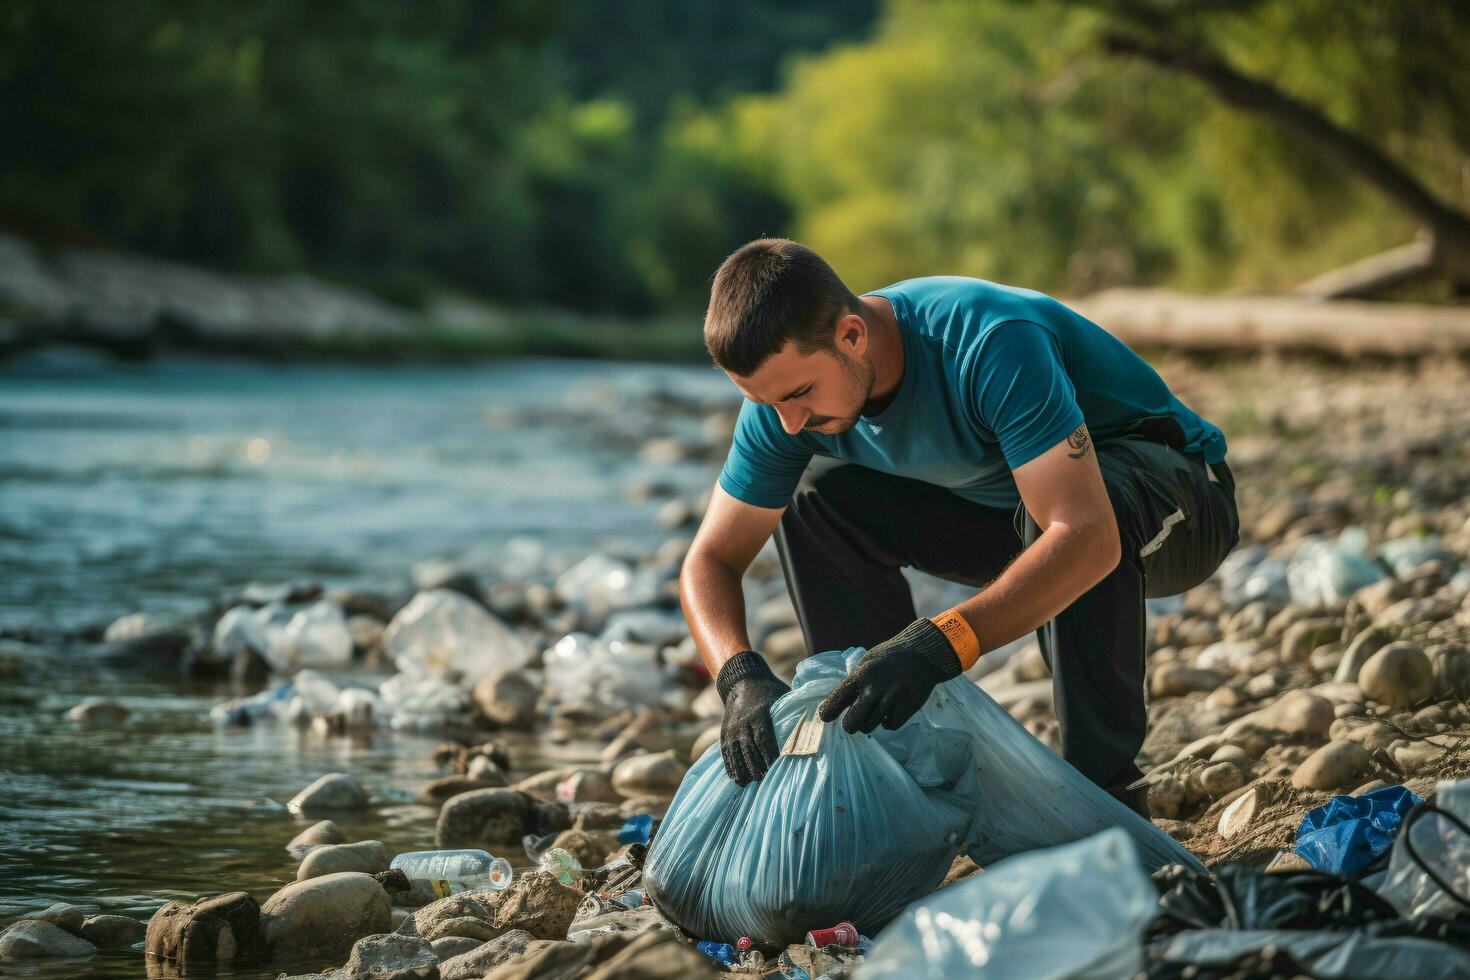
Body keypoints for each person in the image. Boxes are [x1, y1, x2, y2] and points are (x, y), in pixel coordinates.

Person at [679, 238, 1240, 816]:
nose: (791, 424)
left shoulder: (988, 340)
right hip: (1022, 518)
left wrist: (939, 645)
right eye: (767, 403)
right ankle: (893, 772)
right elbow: (710, 560)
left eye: (800, 395)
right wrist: (737, 676)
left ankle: (1106, 790)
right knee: (813, 496)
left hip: (1183, 503)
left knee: (1078, 517)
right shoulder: (784, 400)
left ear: (852, 334)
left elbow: (1087, 535)